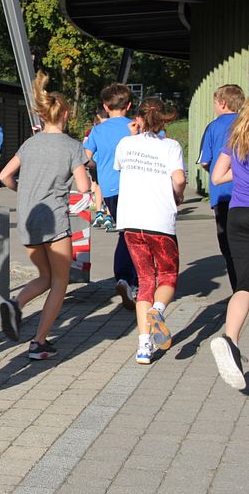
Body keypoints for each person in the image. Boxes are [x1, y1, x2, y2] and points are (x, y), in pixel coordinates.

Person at [0, 71, 90, 359]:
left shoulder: (30, 144)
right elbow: (84, 186)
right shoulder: (73, 147)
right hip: (55, 221)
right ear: (64, 115)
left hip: (28, 219)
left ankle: (15, 303)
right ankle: (39, 342)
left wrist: (22, 191)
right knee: (60, 282)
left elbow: (4, 175)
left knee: (45, 276)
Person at [114, 98, 185, 364]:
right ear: (164, 119)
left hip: (131, 222)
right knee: (167, 274)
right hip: (160, 223)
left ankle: (144, 347)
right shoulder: (171, 146)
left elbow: (120, 167)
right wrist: (178, 196)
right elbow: (178, 179)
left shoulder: (125, 143)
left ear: (139, 118)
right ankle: (158, 310)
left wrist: (133, 135)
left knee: (145, 280)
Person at [83, 83, 139, 310]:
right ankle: (131, 280)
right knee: (135, 235)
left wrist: (101, 166)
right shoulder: (135, 126)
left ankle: (123, 278)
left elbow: (85, 157)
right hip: (135, 186)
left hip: (110, 189)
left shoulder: (97, 130)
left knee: (124, 232)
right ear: (129, 105)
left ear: (105, 107)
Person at [210, 97, 249, 390]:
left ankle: (230, 340)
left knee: (244, 285)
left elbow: (217, 175)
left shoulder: (236, 139)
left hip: (237, 215)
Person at [197, 85, 245, 292]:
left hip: (224, 195)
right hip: (245, 192)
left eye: (215, 103)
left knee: (229, 246)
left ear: (222, 103)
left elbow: (205, 161)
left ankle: (239, 290)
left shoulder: (213, 127)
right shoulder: (245, 123)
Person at [84, 107, 113, 231]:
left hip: (96, 162)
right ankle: (109, 216)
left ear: (99, 117)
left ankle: (99, 212)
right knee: (111, 188)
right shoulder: (113, 129)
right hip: (111, 163)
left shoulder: (95, 130)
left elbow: (86, 149)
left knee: (98, 186)